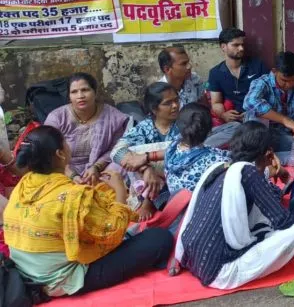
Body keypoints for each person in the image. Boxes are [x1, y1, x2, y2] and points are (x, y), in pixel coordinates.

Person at [4, 126, 173, 297]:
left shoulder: (23, 185)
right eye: (65, 142)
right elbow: (112, 232)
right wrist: (120, 191)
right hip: (60, 280)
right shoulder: (72, 195)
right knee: (159, 238)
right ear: (60, 154)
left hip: (26, 272)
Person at [174, 122, 294, 290]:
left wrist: (272, 175)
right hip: (220, 272)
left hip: (191, 260)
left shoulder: (221, 168)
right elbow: (284, 222)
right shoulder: (249, 173)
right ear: (269, 153)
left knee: (260, 217)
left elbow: (258, 188)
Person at [110, 83, 181, 219]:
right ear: (154, 109)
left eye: (176, 100)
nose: (175, 106)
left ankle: (152, 200)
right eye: (168, 103)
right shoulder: (143, 128)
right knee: (132, 154)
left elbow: (187, 150)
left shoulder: (184, 124)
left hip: (176, 178)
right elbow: (116, 152)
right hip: (148, 179)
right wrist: (146, 168)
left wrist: (148, 159)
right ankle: (149, 199)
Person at [44, 73, 130, 184]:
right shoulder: (57, 117)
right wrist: (71, 174)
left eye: (85, 90)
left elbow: (116, 148)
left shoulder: (112, 117)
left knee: (122, 165)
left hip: (101, 168)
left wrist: (96, 167)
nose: (80, 96)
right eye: (74, 92)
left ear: (95, 92)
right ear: (69, 96)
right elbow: (48, 151)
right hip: (65, 169)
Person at [243, 51, 294, 155]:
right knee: (254, 115)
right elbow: (249, 102)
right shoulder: (262, 82)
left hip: (287, 132)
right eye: (284, 80)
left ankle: (272, 153)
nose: (289, 85)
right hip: (266, 133)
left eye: (293, 80)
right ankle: (261, 154)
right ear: (274, 71)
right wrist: (285, 120)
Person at [164, 104, 231, 195]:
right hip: (197, 201)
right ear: (210, 132)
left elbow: (211, 150)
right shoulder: (212, 160)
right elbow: (231, 164)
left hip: (175, 198)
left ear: (178, 126)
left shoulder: (171, 148)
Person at [207, 27, 269, 124]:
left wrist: (254, 112)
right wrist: (224, 115)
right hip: (232, 121)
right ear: (223, 47)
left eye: (242, 45)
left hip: (257, 116)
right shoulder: (215, 73)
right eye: (236, 45)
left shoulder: (257, 66)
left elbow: (269, 94)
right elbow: (216, 102)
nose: (241, 48)